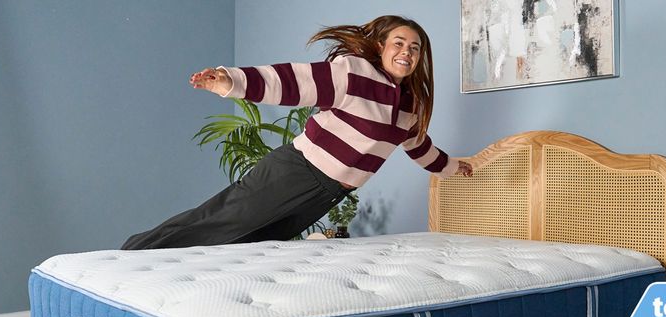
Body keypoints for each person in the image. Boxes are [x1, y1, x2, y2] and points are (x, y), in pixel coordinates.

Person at [121, 15, 473, 250]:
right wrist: (232, 82)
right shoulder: (353, 73)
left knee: (254, 245)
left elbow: (421, 149)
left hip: (326, 194)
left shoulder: (409, 108)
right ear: (380, 46)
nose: (406, 52)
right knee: (218, 223)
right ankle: (132, 256)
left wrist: (458, 168)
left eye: (415, 48)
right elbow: (293, 81)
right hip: (296, 172)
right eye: (399, 43)